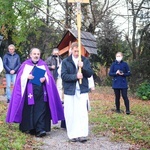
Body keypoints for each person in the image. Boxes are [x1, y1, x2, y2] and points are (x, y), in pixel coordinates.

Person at [6, 48, 64, 137]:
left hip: (41, 92)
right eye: (34, 54)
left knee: (41, 109)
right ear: (30, 55)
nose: (36, 55)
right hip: (28, 93)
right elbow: (19, 79)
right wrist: (26, 76)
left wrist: (45, 79)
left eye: (38, 54)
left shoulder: (43, 65)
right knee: (29, 110)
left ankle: (40, 129)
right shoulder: (25, 65)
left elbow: (49, 78)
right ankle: (30, 128)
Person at [61, 42, 93, 142]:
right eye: (74, 51)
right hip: (70, 90)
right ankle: (72, 134)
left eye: (78, 51)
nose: (76, 53)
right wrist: (75, 76)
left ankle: (82, 133)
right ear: (71, 50)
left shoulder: (85, 60)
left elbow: (89, 74)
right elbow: (64, 76)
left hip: (82, 90)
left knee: (82, 112)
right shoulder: (66, 61)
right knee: (70, 112)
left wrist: (83, 67)